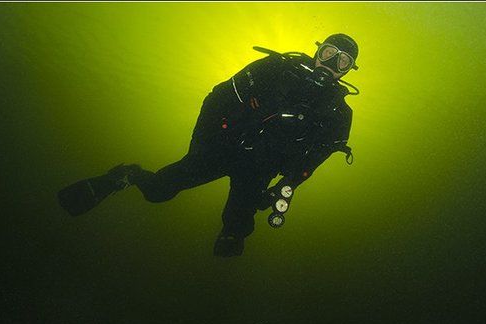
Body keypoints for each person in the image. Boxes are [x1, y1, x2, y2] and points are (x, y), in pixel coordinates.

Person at [58, 34, 359, 257]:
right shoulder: (274, 69)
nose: (332, 63)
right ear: (317, 49)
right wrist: (200, 147)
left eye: (342, 60)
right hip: (222, 147)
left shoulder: (339, 114)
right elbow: (216, 99)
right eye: (329, 52)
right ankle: (125, 175)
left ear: (348, 70)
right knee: (159, 191)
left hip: (260, 168)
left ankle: (220, 281)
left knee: (236, 229)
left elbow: (315, 159)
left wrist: (286, 186)